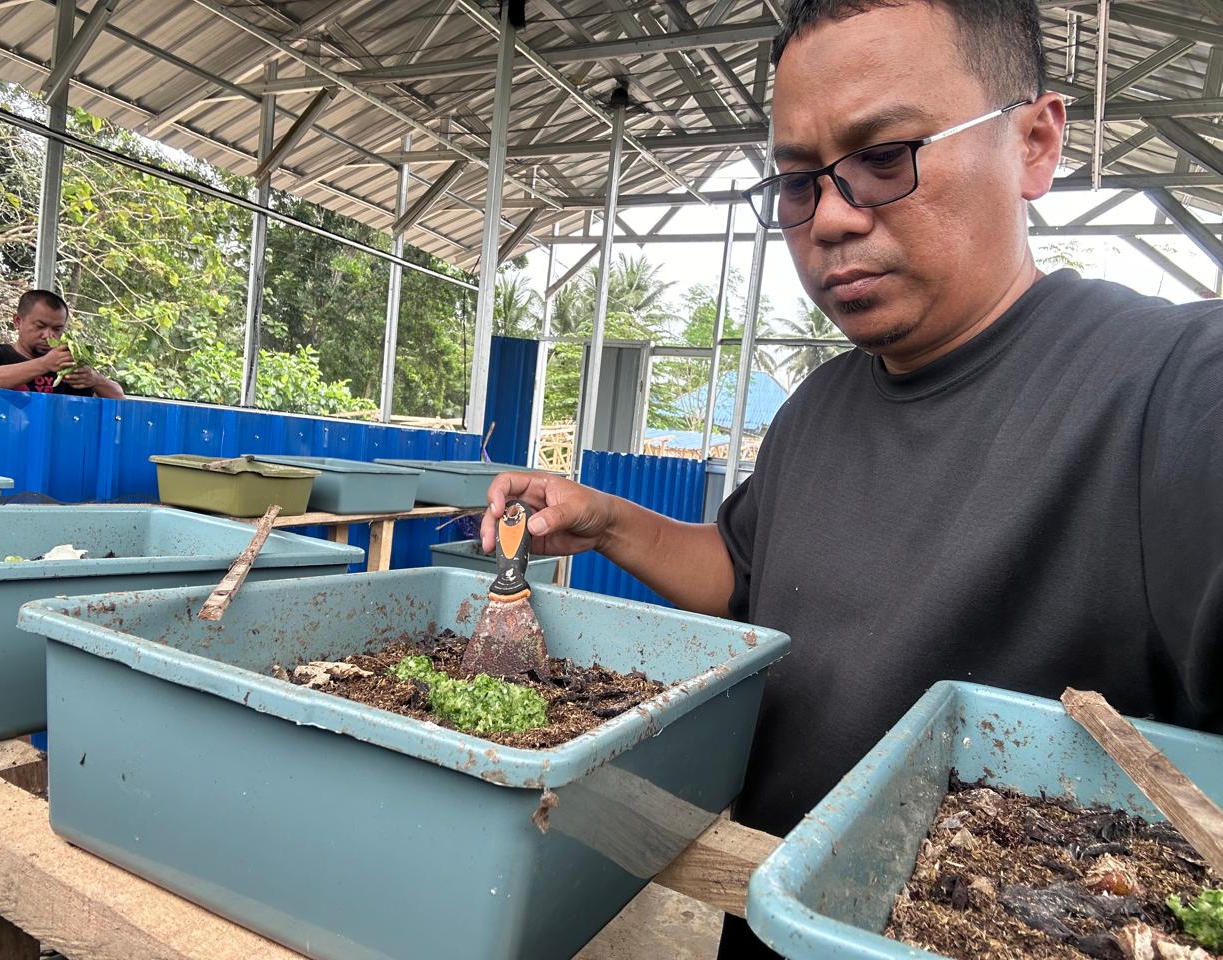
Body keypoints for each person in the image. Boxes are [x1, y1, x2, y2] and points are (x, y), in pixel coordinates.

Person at [483, 0, 1222, 954]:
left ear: (1035, 142)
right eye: (798, 181)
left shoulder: (1167, 387)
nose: (830, 216)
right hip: (767, 923)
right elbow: (742, 577)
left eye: (886, 156)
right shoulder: (820, 405)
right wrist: (611, 522)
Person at [0, 289, 124, 399]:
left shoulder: (68, 365)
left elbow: (118, 398)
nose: (48, 335)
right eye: (40, 326)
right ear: (17, 321)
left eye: (57, 329)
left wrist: (95, 379)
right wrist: (45, 364)